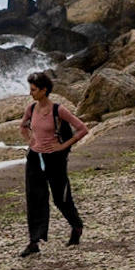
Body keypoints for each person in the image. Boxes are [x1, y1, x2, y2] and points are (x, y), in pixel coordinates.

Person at [17, 72, 89, 257]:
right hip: (35, 158)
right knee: (35, 199)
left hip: (54, 160)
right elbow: (22, 126)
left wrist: (62, 146)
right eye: (30, 89)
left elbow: (82, 129)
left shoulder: (59, 110)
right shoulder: (31, 108)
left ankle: (76, 226)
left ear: (44, 90)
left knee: (60, 199)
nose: (30, 93)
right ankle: (34, 241)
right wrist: (30, 140)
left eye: (33, 90)